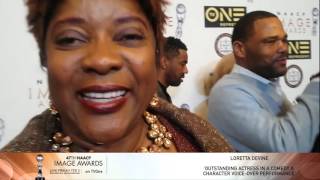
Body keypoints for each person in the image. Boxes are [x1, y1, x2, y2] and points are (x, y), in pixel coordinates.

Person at [2, 0, 232, 152]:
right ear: (45, 56)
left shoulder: (199, 139)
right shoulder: (16, 168)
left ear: (156, 53)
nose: (101, 60)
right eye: (70, 39)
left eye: (130, 36)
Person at [208, 10, 319, 152]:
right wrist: (317, 87)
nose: (283, 48)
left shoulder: (266, 85)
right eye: (270, 41)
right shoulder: (227, 92)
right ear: (240, 49)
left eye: (284, 40)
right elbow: (286, 148)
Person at [157, 36, 188, 103]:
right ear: (164, 62)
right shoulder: (151, 96)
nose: (186, 71)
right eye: (182, 64)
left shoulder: (162, 95)